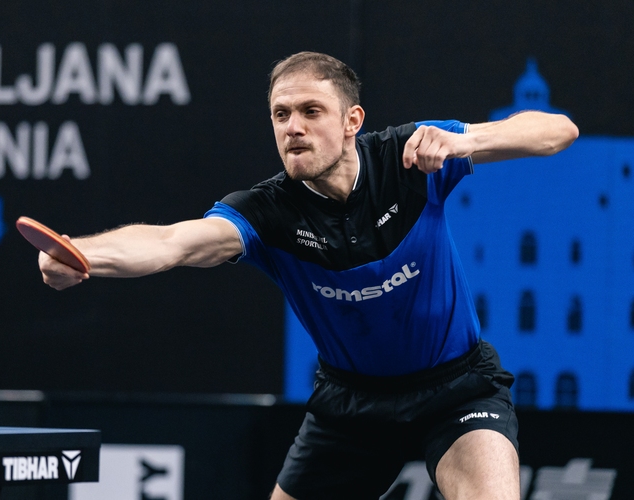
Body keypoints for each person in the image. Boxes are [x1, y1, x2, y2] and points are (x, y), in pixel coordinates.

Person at [39, 52, 578, 499]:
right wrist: (81, 254)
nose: (293, 128)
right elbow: (172, 243)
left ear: (351, 122)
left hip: (456, 389)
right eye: (280, 115)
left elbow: (558, 130)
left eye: (310, 111)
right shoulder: (266, 212)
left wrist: (466, 141)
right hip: (351, 408)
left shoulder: (409, 159)